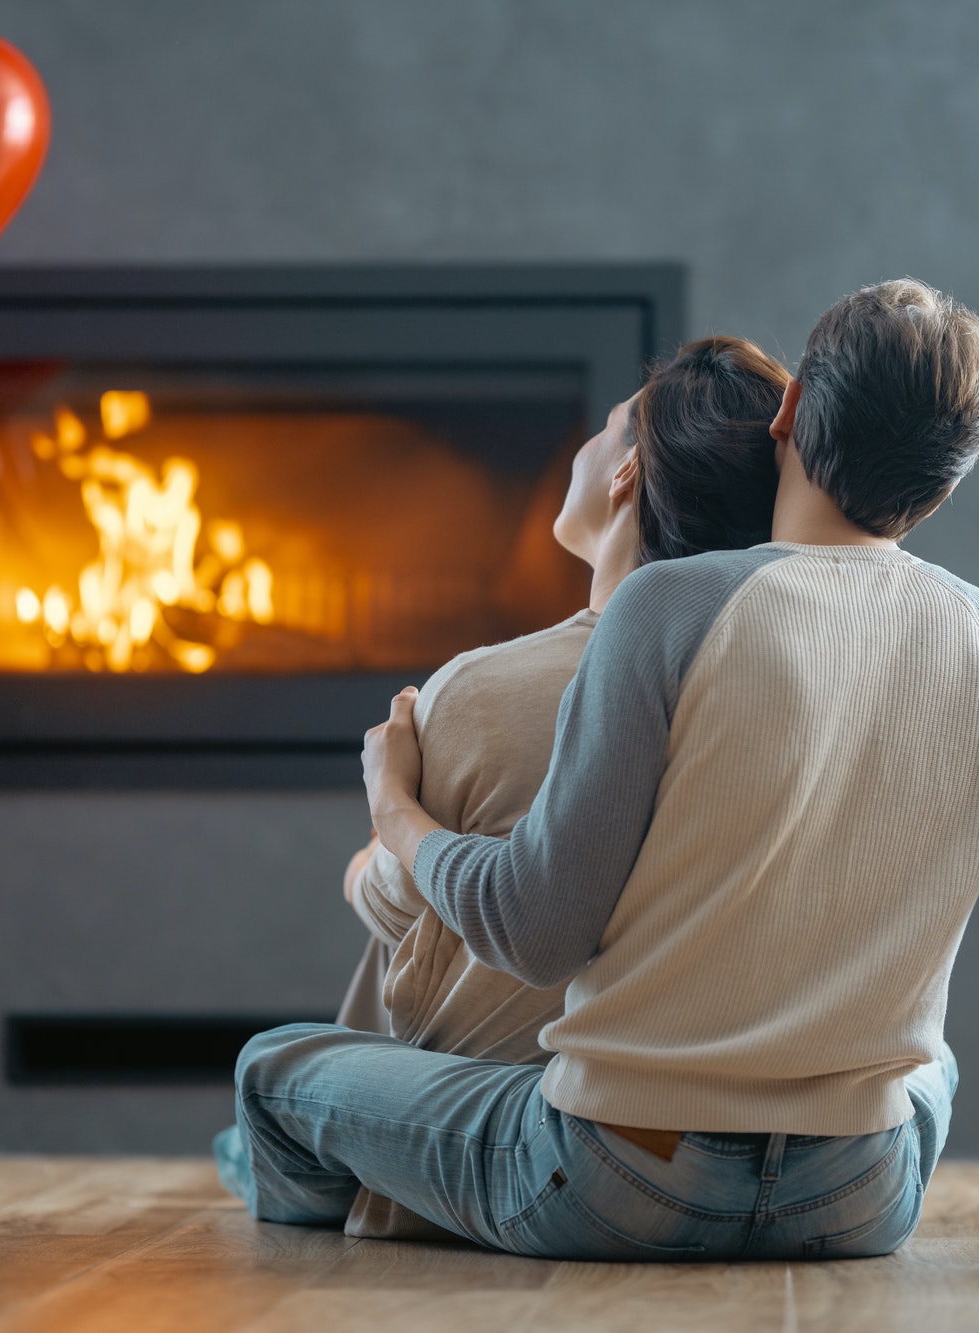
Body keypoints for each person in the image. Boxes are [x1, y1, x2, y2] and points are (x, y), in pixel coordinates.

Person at [227, 280, 979, 1271]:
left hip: (613, 1180)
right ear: (946, 485)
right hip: (858, 1198)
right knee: (928, 1058)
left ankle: (382, 1204)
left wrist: (396, 813)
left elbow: (536, 929)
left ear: (788, 410)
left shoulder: (664, 607)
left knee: (277, 1071)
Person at [220, 334, 790, 1240]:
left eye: (604, 431)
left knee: (274, 1067)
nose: (584, 448)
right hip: (766, 1123)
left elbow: (403, 906)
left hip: (552, 1118)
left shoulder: (482, 692)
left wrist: (387, 826)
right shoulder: (787, 689)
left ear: (626, 476)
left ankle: (315, 1172)